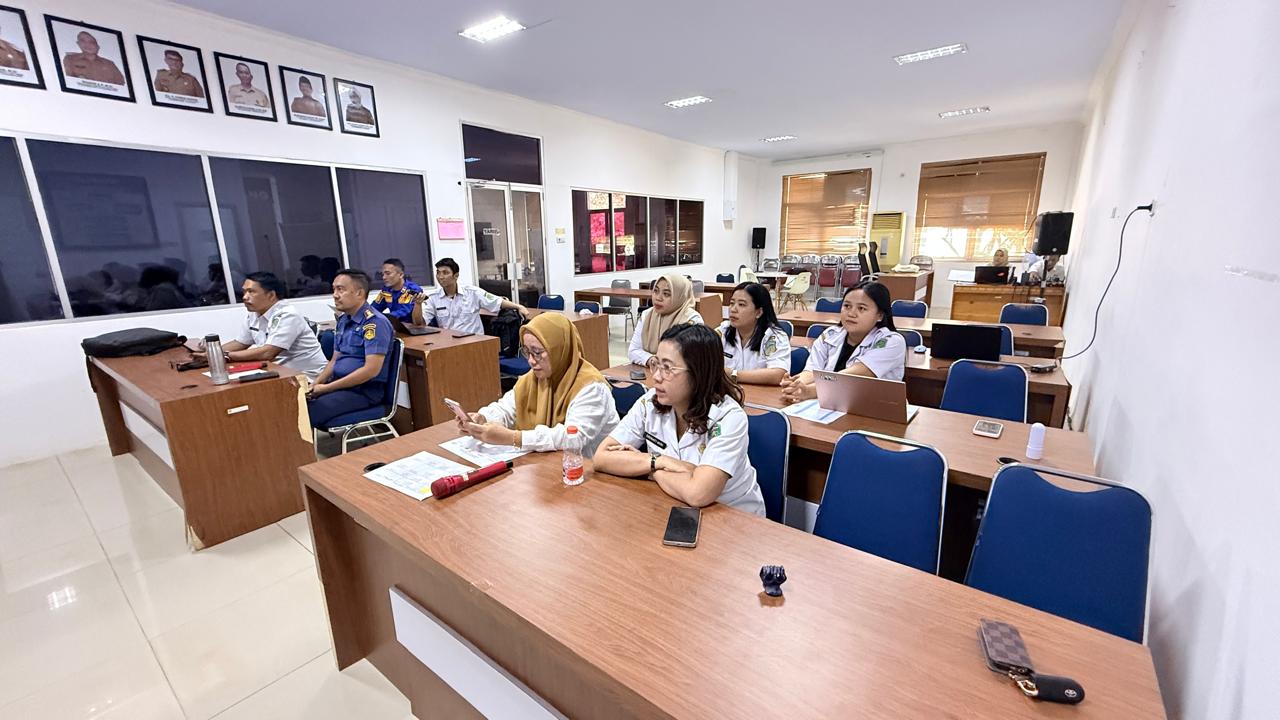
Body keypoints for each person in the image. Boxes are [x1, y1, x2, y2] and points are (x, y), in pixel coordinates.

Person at [594, 324, 765, 516]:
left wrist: (648, 469)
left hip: (732, 516)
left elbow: (698, 494)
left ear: (698, 373)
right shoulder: (650, 402)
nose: (656, 377)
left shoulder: (728, 417)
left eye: (667, 368)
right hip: (672, 504)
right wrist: (658, 461)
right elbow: (601, 457)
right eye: (656, 364)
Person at [458, 313, 618, 455]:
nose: (531, 361)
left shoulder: (592, 387)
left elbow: (572, 437)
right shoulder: (533, 378)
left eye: (538, 352)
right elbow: (507, 408)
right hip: (549, 464)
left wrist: (514, 438)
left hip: (589, 469)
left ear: (559, 349)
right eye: (527, 351)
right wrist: (482, 418)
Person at [781, 280, 906, 403]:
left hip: (875, 407)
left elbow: (850, 377)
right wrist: (795, 384)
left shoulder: (891, 342)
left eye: (861, 308)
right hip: (834, 404)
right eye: (847, 306)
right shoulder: (830, 335)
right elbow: (812, 370)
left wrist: (810, 391)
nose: (851, 313)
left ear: (880, 315)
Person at [194, 272, 327, 379]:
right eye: (244, 292)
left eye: (251, 292)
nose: (245, 297)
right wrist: (212, 353)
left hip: (306, 376)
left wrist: (224, 355)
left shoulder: (287, 315)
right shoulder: (254, 313)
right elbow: (240, 343)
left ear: (271, 295)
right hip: (277, 371)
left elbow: (268, 353)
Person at [307, 269, 394, 427]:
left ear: (359, 293)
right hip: (339, 386)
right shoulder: (343, 320)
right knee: (296, 402)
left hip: (363, 391)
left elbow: (370, 370)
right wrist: (315, 384)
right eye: (334, 289)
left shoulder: (375, 323)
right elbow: (334, 360)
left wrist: (326, 389)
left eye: (341, 289)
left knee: (306, 413)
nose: (335, 295)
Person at [416, 257, 529, 333]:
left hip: (474, 342)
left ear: (456, 276)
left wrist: (519, 306)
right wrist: (417, 305)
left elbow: (497, 302)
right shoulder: (433, 297)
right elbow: (419, 323)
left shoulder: (472, 292)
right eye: (438, 273)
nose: (440, 277)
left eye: (445, 273)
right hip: (449, 344)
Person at [716, 282, 790, 385]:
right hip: (728, 392)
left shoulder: (774, 337)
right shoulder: (723, 331)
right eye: (732, 303)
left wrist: (733, 374)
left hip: (760, 393)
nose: (733, 309)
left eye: (741, 304)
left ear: (759, 312)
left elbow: (779, 374)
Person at [627, 272, 702, 367]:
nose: (658, 298)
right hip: (651, 370)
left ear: (679, 296)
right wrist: (651, 360)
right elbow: (633, 351)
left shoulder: (692, 320)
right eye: (656, 291)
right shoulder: (647, 315)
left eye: (666, 294)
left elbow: (689, 360)